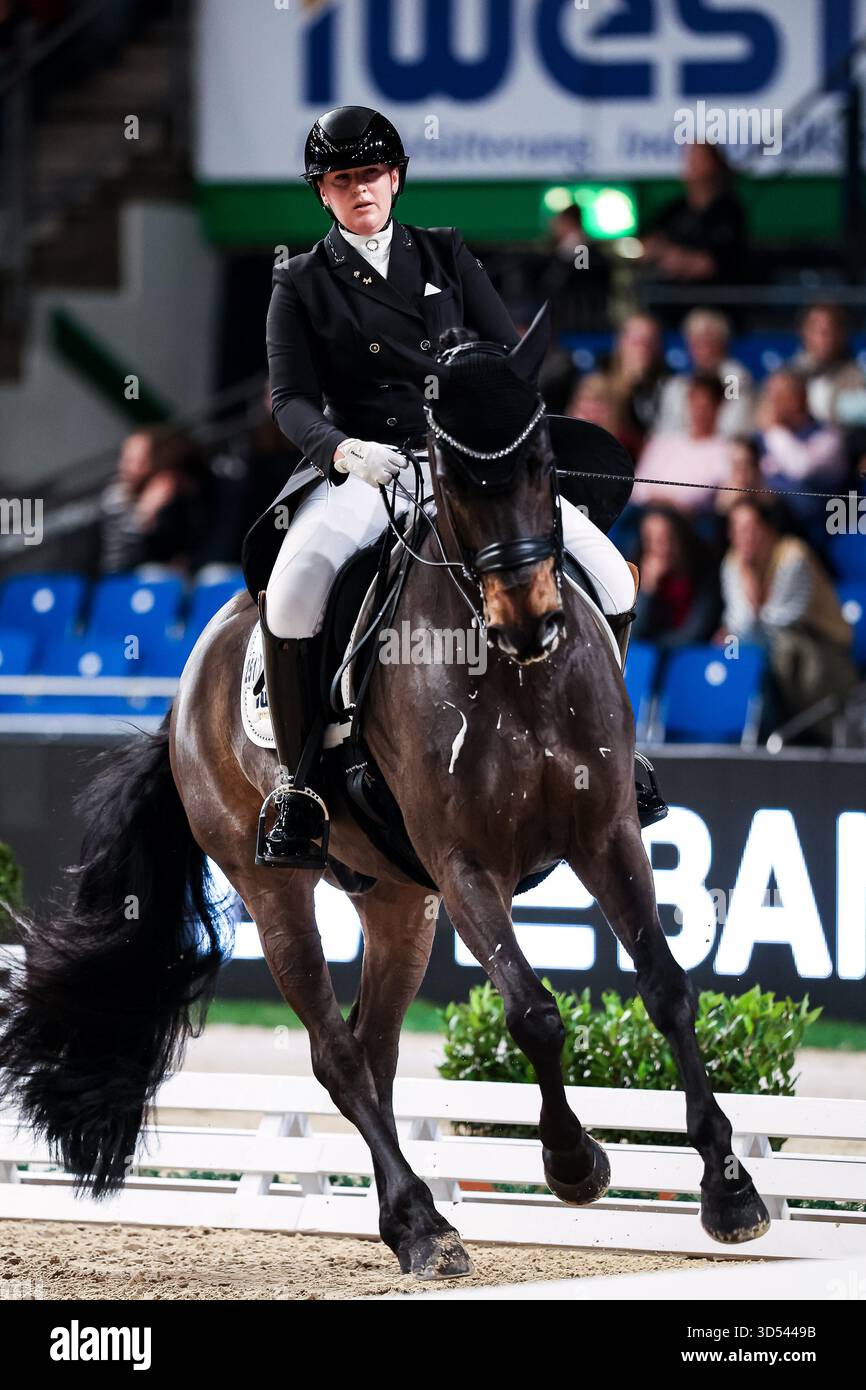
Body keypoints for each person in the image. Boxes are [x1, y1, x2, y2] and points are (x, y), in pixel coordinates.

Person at [253, 105, 667, 868]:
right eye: (343, 180)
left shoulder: (443, 253)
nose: (360, 190)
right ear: (324, 193)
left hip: (464, 463)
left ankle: (615, 750)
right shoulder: (301, 282)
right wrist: (344, 450)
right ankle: (301, 784)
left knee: (609, 573)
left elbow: (509, 359)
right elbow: (289, 401)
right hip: (366, 465)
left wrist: (486, 424)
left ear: (396, 177)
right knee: (293, 590)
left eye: (371, 174)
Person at [720, 499, 857, 738]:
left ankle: (809, 731)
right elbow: (740, 626)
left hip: (823, 649)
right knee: (730, 652)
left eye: (751, 528)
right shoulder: (733, 562)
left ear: (768, 528)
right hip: (768, 647)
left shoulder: (793, 555)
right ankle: (755, 735)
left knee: (782, 649)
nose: (745, 537)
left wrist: (749, 599)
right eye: (738, 530)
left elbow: (777, 623)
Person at [99, 428, 208, 574]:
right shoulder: (116, 494)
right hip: (121, 575)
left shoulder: (172, 490)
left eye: (140, 460)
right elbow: (123, 556)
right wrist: (145, 511)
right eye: (126, 459)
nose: (125, 466)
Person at [637, 143, 748, 288]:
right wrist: (656, 249)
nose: (692, 164)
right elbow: (645, 245)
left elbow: (713, 264)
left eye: (699, 159)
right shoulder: (676, 209)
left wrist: (682, 260)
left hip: (713, 298)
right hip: (668, 298)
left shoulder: (729, 212)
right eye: (690, 158)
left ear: (714, 164)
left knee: (700, 313)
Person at [754, 370, 846, 532]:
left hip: (814, 528)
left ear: (799, 399)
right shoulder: (761, 438)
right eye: (770, 396)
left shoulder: (827, 438)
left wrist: (773, 430)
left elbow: (800, 468)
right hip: (767, 528)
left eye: (780, 396)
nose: (772, 403)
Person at [631, 374, 732, 514]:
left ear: (718, 406)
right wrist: (657, 499)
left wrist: (674, 502)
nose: (699, 412)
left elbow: (706, 494)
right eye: (695, 403)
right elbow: (638, 488)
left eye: (706, 406)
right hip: (648, 513)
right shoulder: (662, 443)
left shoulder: (726, 450)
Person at [655, 308, 753, 438]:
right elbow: (667, 424)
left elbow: (734, 419)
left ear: (722, 342)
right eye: (695, 339)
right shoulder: (677, 384)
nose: (701, 345)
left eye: (708, 338)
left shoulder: (733, 378)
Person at [631, 507, 720, 648]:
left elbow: (695, 633)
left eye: (666, 538)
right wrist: (648, 590)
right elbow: (634, 633)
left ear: (681, 538)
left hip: (690, 656)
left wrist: (658, 646)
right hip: (653, 657)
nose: (659, 548)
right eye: (650, 540)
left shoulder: (704, 571)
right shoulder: (638, 575)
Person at [789, 303, 866, 426]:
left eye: (829, 330)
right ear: (804, 333)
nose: (823, 337)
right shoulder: (787, 375)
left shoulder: (859, 377)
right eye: (816, 330)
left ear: (842, 335)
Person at [604, 313, 669, 452]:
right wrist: (628, 383)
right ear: (620, 343)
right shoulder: (598, 386)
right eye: (636, 342)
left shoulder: (667, 389)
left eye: (649, 342)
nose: (642, 349)